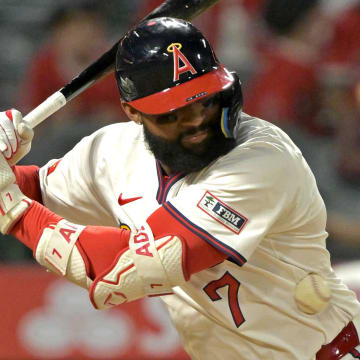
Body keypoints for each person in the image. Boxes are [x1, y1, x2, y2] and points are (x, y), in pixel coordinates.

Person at [0, 17, 359, 359]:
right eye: (172, 113)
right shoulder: (110, 153)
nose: (196, 121)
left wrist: (13, 210)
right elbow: (29, 190)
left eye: (204, 100)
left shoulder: (262, 159)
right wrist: (5, 167)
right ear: (132, 112)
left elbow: (122, 271)